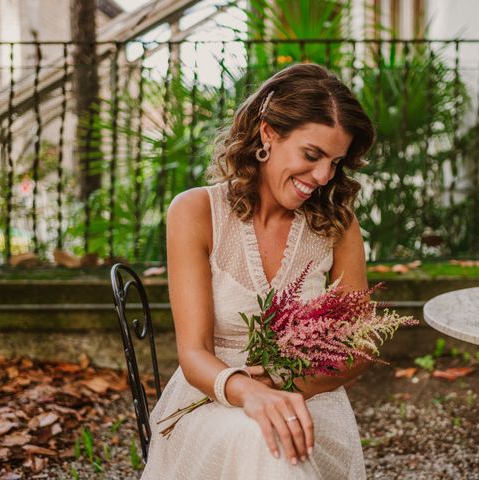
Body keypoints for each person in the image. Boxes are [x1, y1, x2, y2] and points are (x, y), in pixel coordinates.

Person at [142, 63, 375, 479]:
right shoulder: (196, 212)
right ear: (268, 133)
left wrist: (287, 389)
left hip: (312, 406)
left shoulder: (338, 225)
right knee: (263, 441)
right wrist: (249, 393)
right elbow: (193, 354)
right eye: (311, 154)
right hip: (213, 401)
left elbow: (358, 350)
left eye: (336, 162)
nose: (323, 176)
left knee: (280, 441)